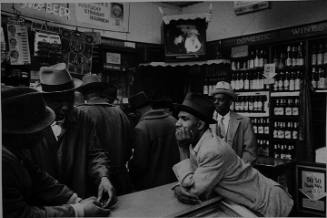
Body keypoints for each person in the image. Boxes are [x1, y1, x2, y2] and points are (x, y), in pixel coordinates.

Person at [172, 92, 294, 217]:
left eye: (184, 118)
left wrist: (182, 149)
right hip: (254, 202)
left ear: (199, 125)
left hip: (270, 202)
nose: (177, 123)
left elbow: (192, 191)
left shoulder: (212, 150)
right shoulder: (197, 144)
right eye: (178, 118)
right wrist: (179, 186)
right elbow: (192, 178)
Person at [2, 87, 110, 217]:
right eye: (39, 128)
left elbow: (40, 180)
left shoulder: (16, 151)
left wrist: (76, 200)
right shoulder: (4, 162)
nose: (43, 133)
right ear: (21, 133)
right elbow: (20, 214)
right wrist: (79, 210)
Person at [31, 63, 115, 207]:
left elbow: (96, 153)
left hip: (81, 200)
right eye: (57, 101)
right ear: (45, 100)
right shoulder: (32, 126)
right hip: (47, 208)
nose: (64, 106)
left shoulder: (83, 119)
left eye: (68, 99)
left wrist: (103, 177)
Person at [77, 74, 133, 195]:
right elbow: (129, 148)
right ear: (102, 91)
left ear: (84, 94)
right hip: (120, 179)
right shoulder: (119, 112)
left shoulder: (81, 113)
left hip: (94, 183)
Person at [128, 91, 180, 190]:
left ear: (137, 112)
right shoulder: (173, 121)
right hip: (175, 182)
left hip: (152, 187)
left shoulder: (142, 128)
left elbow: (139, 164)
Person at [211, 81, 257, 164]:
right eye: (214, 99)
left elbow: (250, 152)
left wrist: (238, 170)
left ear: (230, 102)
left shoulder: (244, 122)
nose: (216, 102)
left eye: (221, 99)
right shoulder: (207, 121)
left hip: (235, 171)